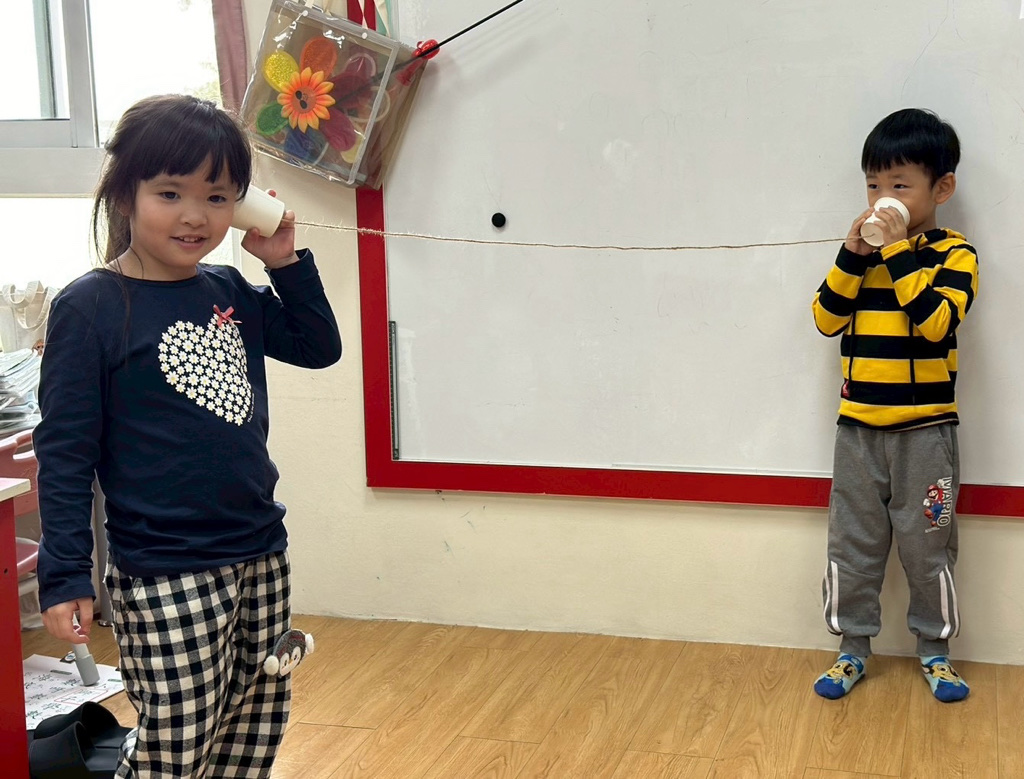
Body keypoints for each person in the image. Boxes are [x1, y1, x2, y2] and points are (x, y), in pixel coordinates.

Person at [34, 94, 342, 776]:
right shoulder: (90, 306)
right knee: (176, 742)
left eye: (218, 196)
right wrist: (64, 575)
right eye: (170, 193)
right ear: (125, 193)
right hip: (164, 565)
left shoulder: (228, 286)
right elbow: (65, 456)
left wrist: (284, 261)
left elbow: (318, 346)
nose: (196, 216)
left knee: (254, 723)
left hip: (259, 549)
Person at [811, 108, 978, 703]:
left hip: (926, 436)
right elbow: (825, 318)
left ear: (942, 188)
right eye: (874, 185)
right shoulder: (862, 255)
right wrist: (853, 253)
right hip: (858, 432)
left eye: (900, 185)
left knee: (928, 543)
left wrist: (899, 251)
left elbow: (935, 324)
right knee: (851, 544)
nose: (884, 199)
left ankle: (935, 651)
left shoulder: (955, 254)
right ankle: (852, 648)